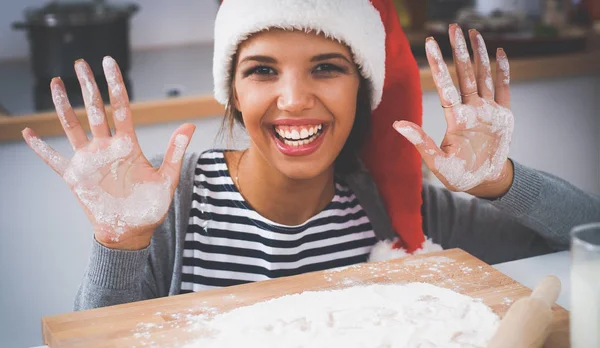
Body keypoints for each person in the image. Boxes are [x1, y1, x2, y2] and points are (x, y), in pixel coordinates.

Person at [21, 0, 600, 311]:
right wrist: (121, 241)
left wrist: (500, 181)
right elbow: (94, 347)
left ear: (361, 92)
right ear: (234, 94)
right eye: (262, 71)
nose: (294, 100)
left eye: (327, 68)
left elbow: (586, 238)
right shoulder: (175, 207)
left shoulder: (394, 210)